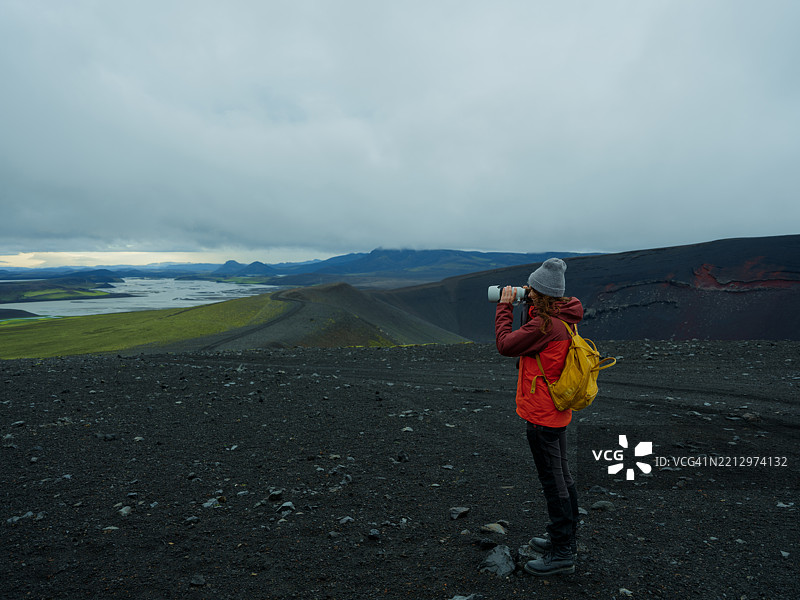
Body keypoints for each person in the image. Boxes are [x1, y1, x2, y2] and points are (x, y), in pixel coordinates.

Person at [494, 257, 583, 577]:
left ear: (541, 294)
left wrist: (504, 307)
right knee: (563, 477)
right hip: (556, 411)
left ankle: (562, 553)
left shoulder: (546, 326)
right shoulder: (563, 316)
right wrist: (529, 305)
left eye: (531, 290)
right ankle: (564, 539)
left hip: (542, 414)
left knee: (553, 482)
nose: (525, 292)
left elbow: (506, 345)